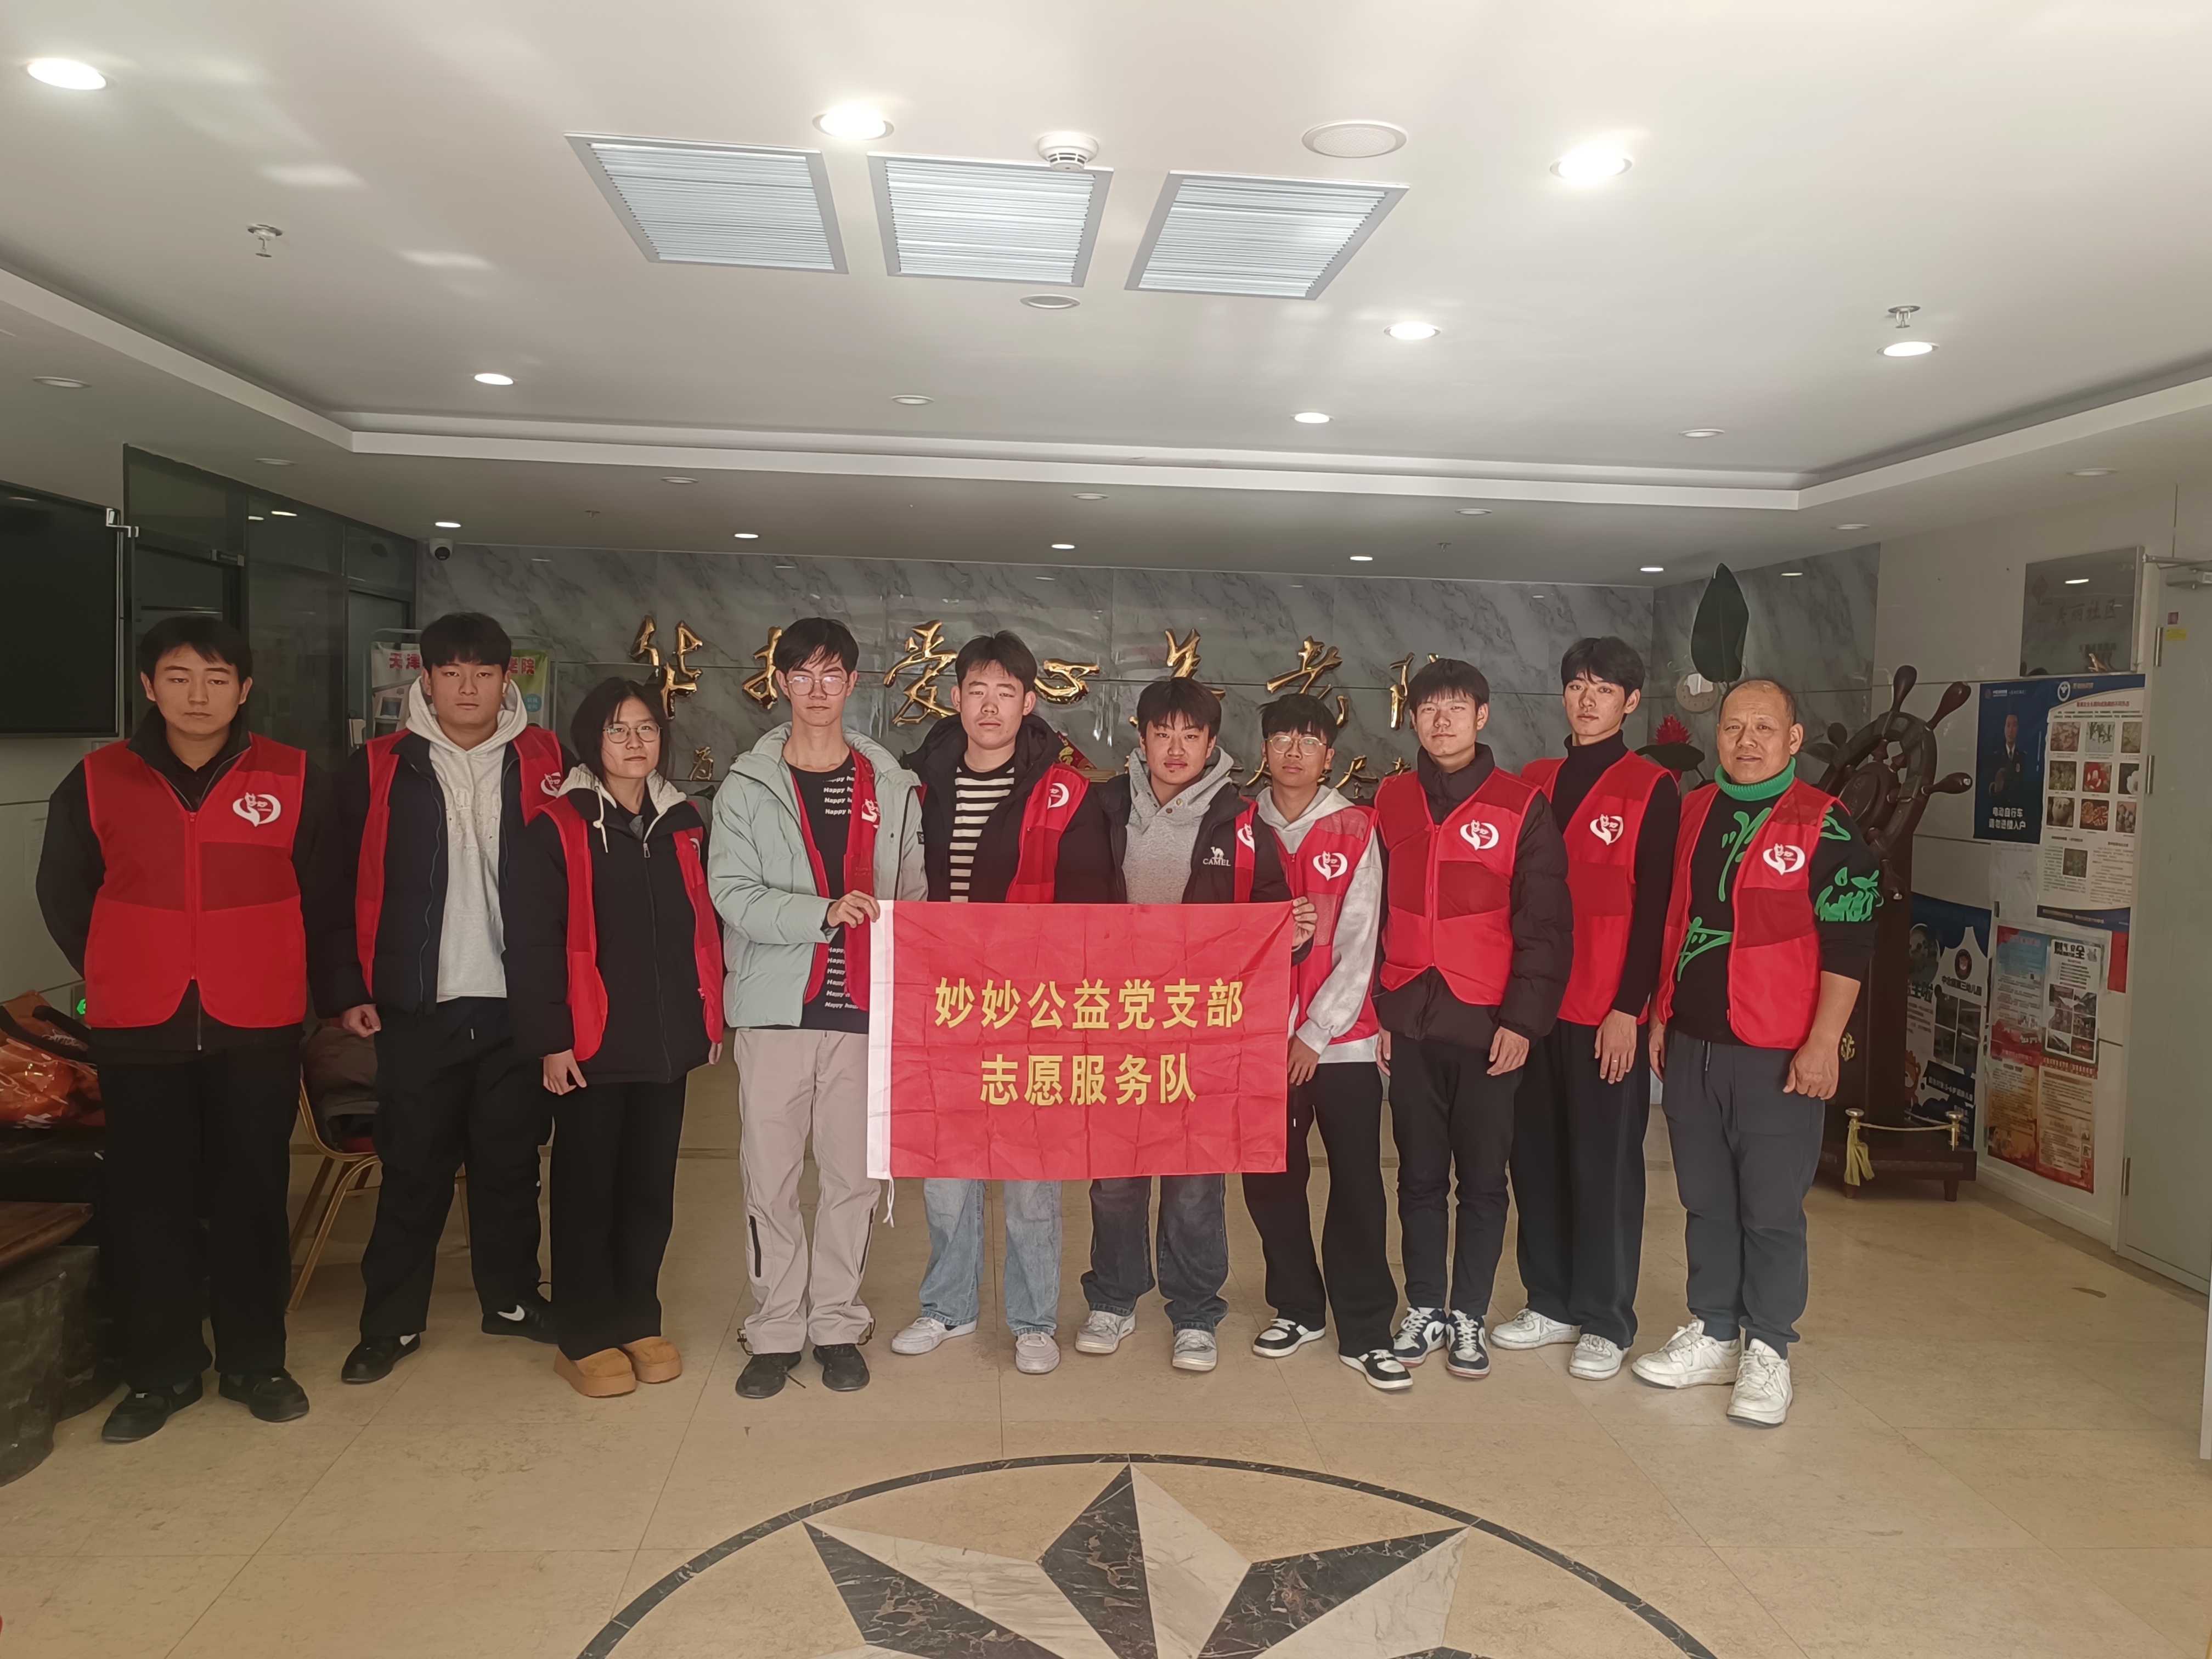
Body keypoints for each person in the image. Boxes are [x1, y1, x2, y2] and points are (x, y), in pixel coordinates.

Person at [36, 617, 335, 1441]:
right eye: (178, 677)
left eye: (216, 678)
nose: (197, 695)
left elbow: (325, 895)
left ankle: (255, 1361)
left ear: (245, 689)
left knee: (252, 1193)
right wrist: (126, 960)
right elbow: (65, 893)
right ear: (148, 686)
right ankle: (159, 1372)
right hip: (141, 1022)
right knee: (148, 1199)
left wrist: (311, 985)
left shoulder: (295, 776)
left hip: (258, 1019)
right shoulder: (96, 780)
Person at [326, 612, 571, 1385]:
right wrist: (346, 988)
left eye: (485, 673)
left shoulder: (548, 762)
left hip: (516, 1005)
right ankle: (390, 1322)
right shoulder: (377, 767)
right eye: (452, 673)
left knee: (511, 1165)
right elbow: (332, 884)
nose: (469, 688)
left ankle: (512, 1300)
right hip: (417, 1006)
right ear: (425, 680)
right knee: (413, 1169)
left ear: (508, 680)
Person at [1635, 678, 1877, 1427]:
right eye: (1734, 726)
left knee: (1770, 1209)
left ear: (1794, 740)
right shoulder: (1695, 810)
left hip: (1777, 1050)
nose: (1747, 741)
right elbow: (1675, 920)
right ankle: (1713, 1331)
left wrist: (1823, 1043)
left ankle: (1768, 1348)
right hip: (1692, 1042)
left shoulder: (1825, 823)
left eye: (1764, 728)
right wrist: (1660, 1015)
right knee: (1705, 1200)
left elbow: (1850, 942)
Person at [1053, 676, 1312, 1374]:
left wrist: (1294, 936)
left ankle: (1195, 1311)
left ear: (1211, 744)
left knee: (1195, 1179)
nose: (1175, 748)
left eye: (1190, 735)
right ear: (1140, 738)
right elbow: (1072, 909)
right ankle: (1113, 1299)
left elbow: (1274, 917)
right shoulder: (1103, 807)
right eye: (1162, 733)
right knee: (1115, 1176)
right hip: (1116, 1023)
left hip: (1203, 1031)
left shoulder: (1242, 822)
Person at [710, 617, 926, 1399]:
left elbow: (913, 893)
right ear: (781, 684)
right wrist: (822, 914)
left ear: (853, 684)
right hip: (776, 1010)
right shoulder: (747, 786)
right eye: (801, 675)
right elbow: (732, 893)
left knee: (851, 1179)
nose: (817, 689)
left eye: (831, 675)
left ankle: (836, 1321)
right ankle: (774, 1327)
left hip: (862, 1013)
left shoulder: (890, 786)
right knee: (769, 1180)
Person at [504, 680, 722, 1397]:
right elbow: (532, 943)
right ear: (590, 741)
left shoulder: (683, 823)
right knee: (587, 1191)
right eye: (618, 730)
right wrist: (551, 1038)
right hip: (590, 1043)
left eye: (647, 729)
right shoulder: (557, 826)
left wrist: (707, 1017)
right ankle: (584, 1334)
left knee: (649, 1190)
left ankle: (637, 1317)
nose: (635, 743)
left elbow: (702, 928)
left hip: (664, 1042)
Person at [891, 632, 1088, 1376]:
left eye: (1006, 692)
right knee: (947, 1170)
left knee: (1032, 1175)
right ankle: (948, 1306)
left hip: (1031, 1008)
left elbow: (1088, 905)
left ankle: (1034, 1321)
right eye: (977, 690)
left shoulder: (1061, 791)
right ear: (955, 698)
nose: (990, 706)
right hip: (942, 1005)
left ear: (1029, 703)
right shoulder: (918, 785)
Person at [1370, 658, 1572, 1382]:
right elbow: (1374, 910)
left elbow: (1546, 926)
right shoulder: (1391, 799)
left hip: (1488, 1025)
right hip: (1411, 1017)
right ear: (1413, 718)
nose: (1442, 721)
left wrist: (1523, 1022)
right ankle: (1425, 1305)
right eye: (1429, 709)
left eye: (1457, 708)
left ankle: (1469, 1316)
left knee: (1484, 1180)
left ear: (1482, 717)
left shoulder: (1521, 806)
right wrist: (1381, 1009)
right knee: (1419, 1175)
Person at [1496, 638, 1678, 1381]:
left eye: (1604, 688)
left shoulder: (1652, 787)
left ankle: (1605, 1317)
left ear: (1631, 702)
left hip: (1605, 1009)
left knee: (1603, 1166)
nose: (1587, 699)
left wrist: (1630, 1008)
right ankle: (1550, 1300)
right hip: (1536, 1008)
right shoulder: (1534, 780)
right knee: (1535, 1157)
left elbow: (1656, 909)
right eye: (1576, 685)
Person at [1241, 694, 1404, 1391]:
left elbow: (1363, 941)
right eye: (1282, 739)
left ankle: (1365, 1327)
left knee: (1358, 1181)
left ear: (1329, 756)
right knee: (1270, 1180)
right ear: (1264, 751)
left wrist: (1313, 1032)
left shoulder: (1356, 827)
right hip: (1259, 1041)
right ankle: (1298, 1307)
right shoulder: (1241, 824)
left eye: (1309, 741)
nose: (1294, 752)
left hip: (1343, 1043)